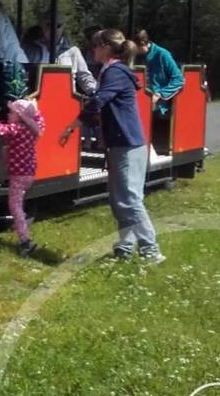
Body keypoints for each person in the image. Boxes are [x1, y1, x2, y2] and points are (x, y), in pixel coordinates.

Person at [59, 29, 164, 264]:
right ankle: (125, 249)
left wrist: (73, 125)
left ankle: (151, 251)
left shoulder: (115, 71)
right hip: (122, 143)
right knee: (120, 199)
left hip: (127, 144)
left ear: (105, 47)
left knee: (129, 200)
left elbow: (98, 100)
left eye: (95, 47)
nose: (92, 51)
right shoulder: (113, 70)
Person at [0, 98, 44, 256]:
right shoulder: (33, 130)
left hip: (18, 175)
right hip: (28, 173)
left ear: (19, 116)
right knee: (6, 149)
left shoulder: (16, 129)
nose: (8, 114)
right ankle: (21, 221)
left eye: (11, 112)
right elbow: (40, 120)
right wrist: (34, 110)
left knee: (14, 207)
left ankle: (25, 241)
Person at [134, 30, 184, 114]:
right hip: (140, 102)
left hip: (158, 106)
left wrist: (159, 94)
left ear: (142, 43)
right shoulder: (138, 56)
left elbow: (179, 80)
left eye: (135, 47)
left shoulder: (163, 54)